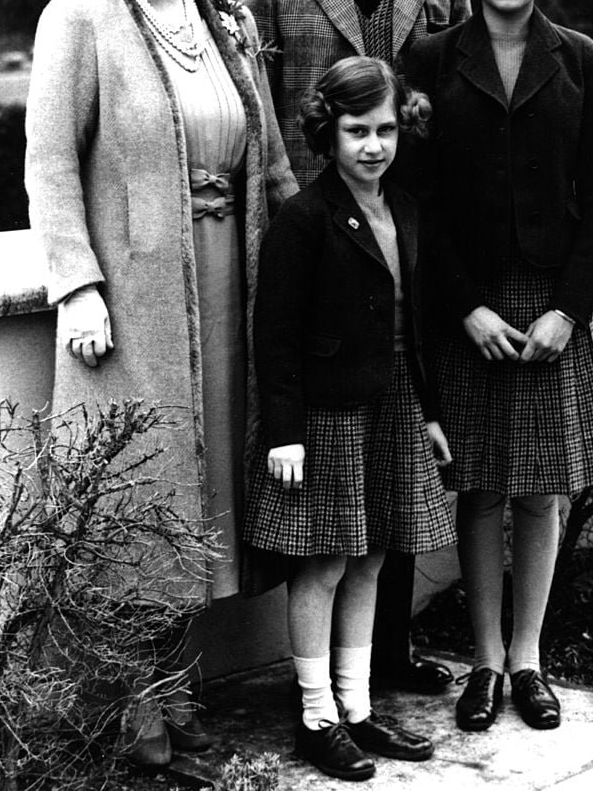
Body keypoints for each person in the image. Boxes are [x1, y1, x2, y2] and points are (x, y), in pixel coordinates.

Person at [24, 0, 297, 768]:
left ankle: (173, 696)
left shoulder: (229, 19)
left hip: (231, 287)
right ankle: (131, 716)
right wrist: (77, 287)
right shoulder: (80, 22)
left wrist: (315, 261)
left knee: (209, 486)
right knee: (137, 495)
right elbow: (52, 166)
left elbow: (267, 161)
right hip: (134, 303)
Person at [241, 0, 468, 696]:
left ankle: (388, 659)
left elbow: (444, 125)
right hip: (312, 245)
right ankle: (318, 684)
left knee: (399, 449)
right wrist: (299, 215)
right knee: (331, 473)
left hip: (406, 245)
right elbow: (258, 119)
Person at [403, 0, 593, 732]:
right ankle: (484, 664)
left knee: (542, 489)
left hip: (550, 307)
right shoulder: (429, 59)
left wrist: (570, 310)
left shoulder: (578, 57)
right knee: (482, 487)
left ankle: (530, 659)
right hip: (471, 311)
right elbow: (414, 202)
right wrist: (464, 309)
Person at [243, 56, 455, 780]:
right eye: (357, 130)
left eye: (386, 129)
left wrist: (427, 412)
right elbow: (273, 335)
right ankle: (314, 716)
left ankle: (358, 710)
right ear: (327, 133)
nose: (373, 145)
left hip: (392, 401)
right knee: (325, 561)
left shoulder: (407, 209)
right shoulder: (305, 219)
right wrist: (286, 432)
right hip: (327, 413)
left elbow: (412, 326)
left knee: (373, 555)